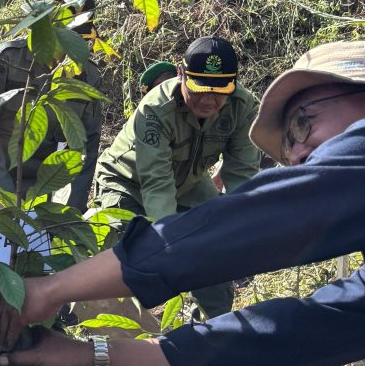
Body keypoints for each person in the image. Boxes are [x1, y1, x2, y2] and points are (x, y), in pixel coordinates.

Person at [0, 40, 365, 366]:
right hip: (134, 185)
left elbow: (256, 203)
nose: (296, 156)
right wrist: (94, 355)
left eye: (302, 123)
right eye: (288, 146)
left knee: (219, 243)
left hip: (190, 189)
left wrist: (51, 289)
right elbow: (299, 330)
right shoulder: (155, 110)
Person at [93, 36, 261, 317]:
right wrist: (170, 244)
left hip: (190, 185)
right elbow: (156, 182)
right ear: (180, 74)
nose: (209, 100)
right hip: (127, 182)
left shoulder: (243, 108)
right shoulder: (155, 109)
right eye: (198, 89)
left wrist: (239, 233)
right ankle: (119, 343)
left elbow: (242, 175)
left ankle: (213, 331)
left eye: (219, 90)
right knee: (125, 252)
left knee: (215, 249)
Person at [0, 0, 102, 212]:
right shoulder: (6, 59)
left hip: (34, 188)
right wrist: (2, 194)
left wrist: (72, 212)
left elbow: (86, 148)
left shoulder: (87, 77)